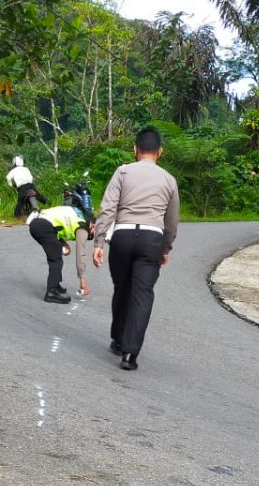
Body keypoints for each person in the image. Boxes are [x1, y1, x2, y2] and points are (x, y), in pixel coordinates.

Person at [93, 126, 179, 371]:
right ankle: (130, 354)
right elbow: (171, 222)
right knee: (142, 294)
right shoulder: (169, 179)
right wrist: (165, 248)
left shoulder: (122, 172)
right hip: (151, 239)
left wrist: (99, 242)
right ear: (159, 152)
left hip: (122, 237)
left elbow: (108, 208)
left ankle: (118, 340)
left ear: (135, 149)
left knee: (123, 288)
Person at [29, 204, 91, 305]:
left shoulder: (78, 215)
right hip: (43, 226)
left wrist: (63, 244)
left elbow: (57, 226)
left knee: (56, 252)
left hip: (39, 223)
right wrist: (82, 280)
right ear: (92, 224)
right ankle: (51, 292)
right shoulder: (82, 226)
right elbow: (81, 254)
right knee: (56, 259)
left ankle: (55, 285)